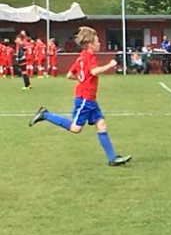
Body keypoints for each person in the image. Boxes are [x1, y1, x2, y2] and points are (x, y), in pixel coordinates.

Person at [28, 26, 131, 167]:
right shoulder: (90, 57)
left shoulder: (81, 57)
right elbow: (94, 71)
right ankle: (45, 114)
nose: (99, 43)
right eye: (97, 41)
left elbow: (70, 75)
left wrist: (82, 78)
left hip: (90, 99)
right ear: (90, 45)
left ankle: (112, 158)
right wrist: (110, 65)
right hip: (85, 99)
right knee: (75, 128)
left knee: (101, 124)